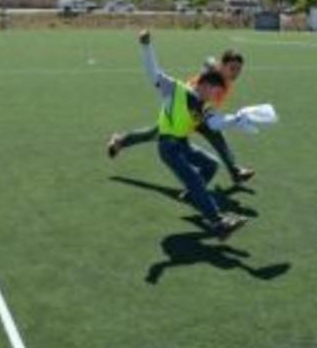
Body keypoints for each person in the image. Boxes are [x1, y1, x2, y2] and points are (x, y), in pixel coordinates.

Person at [135, 29, 247, 236]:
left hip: (183, 145)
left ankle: (193, 196)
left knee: (212, 164)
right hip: (168, 147)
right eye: (213, 90)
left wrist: (239, 120)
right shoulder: (176, 89)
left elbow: (214, 124)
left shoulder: (203, 105)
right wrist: (146, 46)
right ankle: (218, 222)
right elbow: (153, 72)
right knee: (195, 180)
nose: (215, 95)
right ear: (203, 84)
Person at [108, 50, 255, 187]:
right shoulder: (212, 74)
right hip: (185, 110)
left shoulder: (227, 84)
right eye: (233, 68)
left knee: (218, 138)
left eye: (239, 69)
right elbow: (205, 67)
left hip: (202, 115)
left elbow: (211, 107)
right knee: (154, 134)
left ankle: (235, 172)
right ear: (222, 65)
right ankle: (120, 141)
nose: (236, 73)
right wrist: (209, 66)